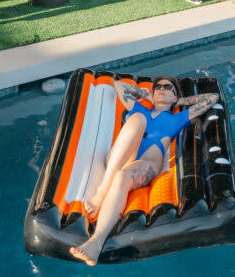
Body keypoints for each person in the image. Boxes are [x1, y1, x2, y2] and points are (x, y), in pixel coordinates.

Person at [70, 77, 219, 266]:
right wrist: (146, 95)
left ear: (175, 97)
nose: (161, 89)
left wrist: (180, 101)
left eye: (167, 87)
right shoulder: (141, 110)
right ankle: (101, 193)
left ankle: (95, 242)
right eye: (157, 87)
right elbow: (118, 85)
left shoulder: (177, 118)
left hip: (145, 164)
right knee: (138, 118)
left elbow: (212, 97)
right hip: (122, 156)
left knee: (122, 176)